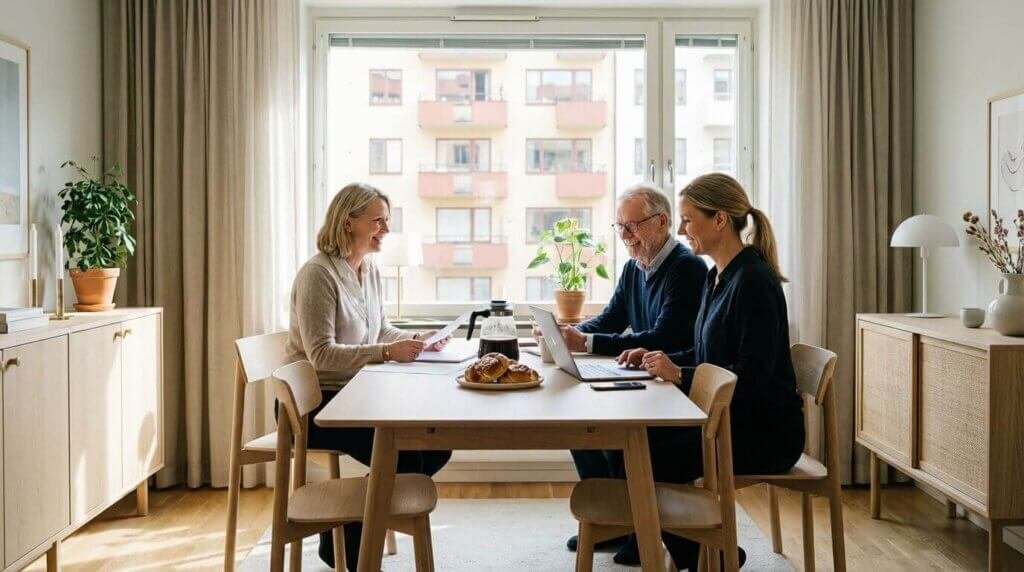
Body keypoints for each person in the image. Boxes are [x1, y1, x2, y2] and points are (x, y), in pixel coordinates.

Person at [618, 173, 805, 570]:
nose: (682, 230)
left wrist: (681, 374)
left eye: (688, 219)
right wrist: (657, 358)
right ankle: (704, 550)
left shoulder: (753, 282)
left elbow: (750, 378)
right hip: (729, 417)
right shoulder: (717, 276)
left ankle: (712, 553)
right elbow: (707, 354)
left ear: (719, 220)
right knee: (636, 441)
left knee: (646, 452)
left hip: (764, 431)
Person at [285, 182, 453, 571]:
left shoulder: (369, 269)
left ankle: (346, 529)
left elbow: (379, 330)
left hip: (358, 395)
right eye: (378, 221)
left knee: (436, 440)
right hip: (318, 407)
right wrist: (386, 353)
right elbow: (322, 356)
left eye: (386, 221)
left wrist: (414, 340)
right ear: (349, 223)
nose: (386, 230)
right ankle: (355, 545)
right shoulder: (317, 275)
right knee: (409, 450)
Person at [545, 184, 707, 564]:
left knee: (616, 437)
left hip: (675, 386)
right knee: (581, 426)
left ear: (662, 222)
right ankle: (616, 523)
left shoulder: (687, 268)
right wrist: (574, 334)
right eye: (619, 228)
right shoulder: (636, 266)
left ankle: (639, 529)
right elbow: (612, 318)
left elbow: (663, 336)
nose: (625, 237)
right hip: (648, 379)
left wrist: (586, 343)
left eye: (632, 227)